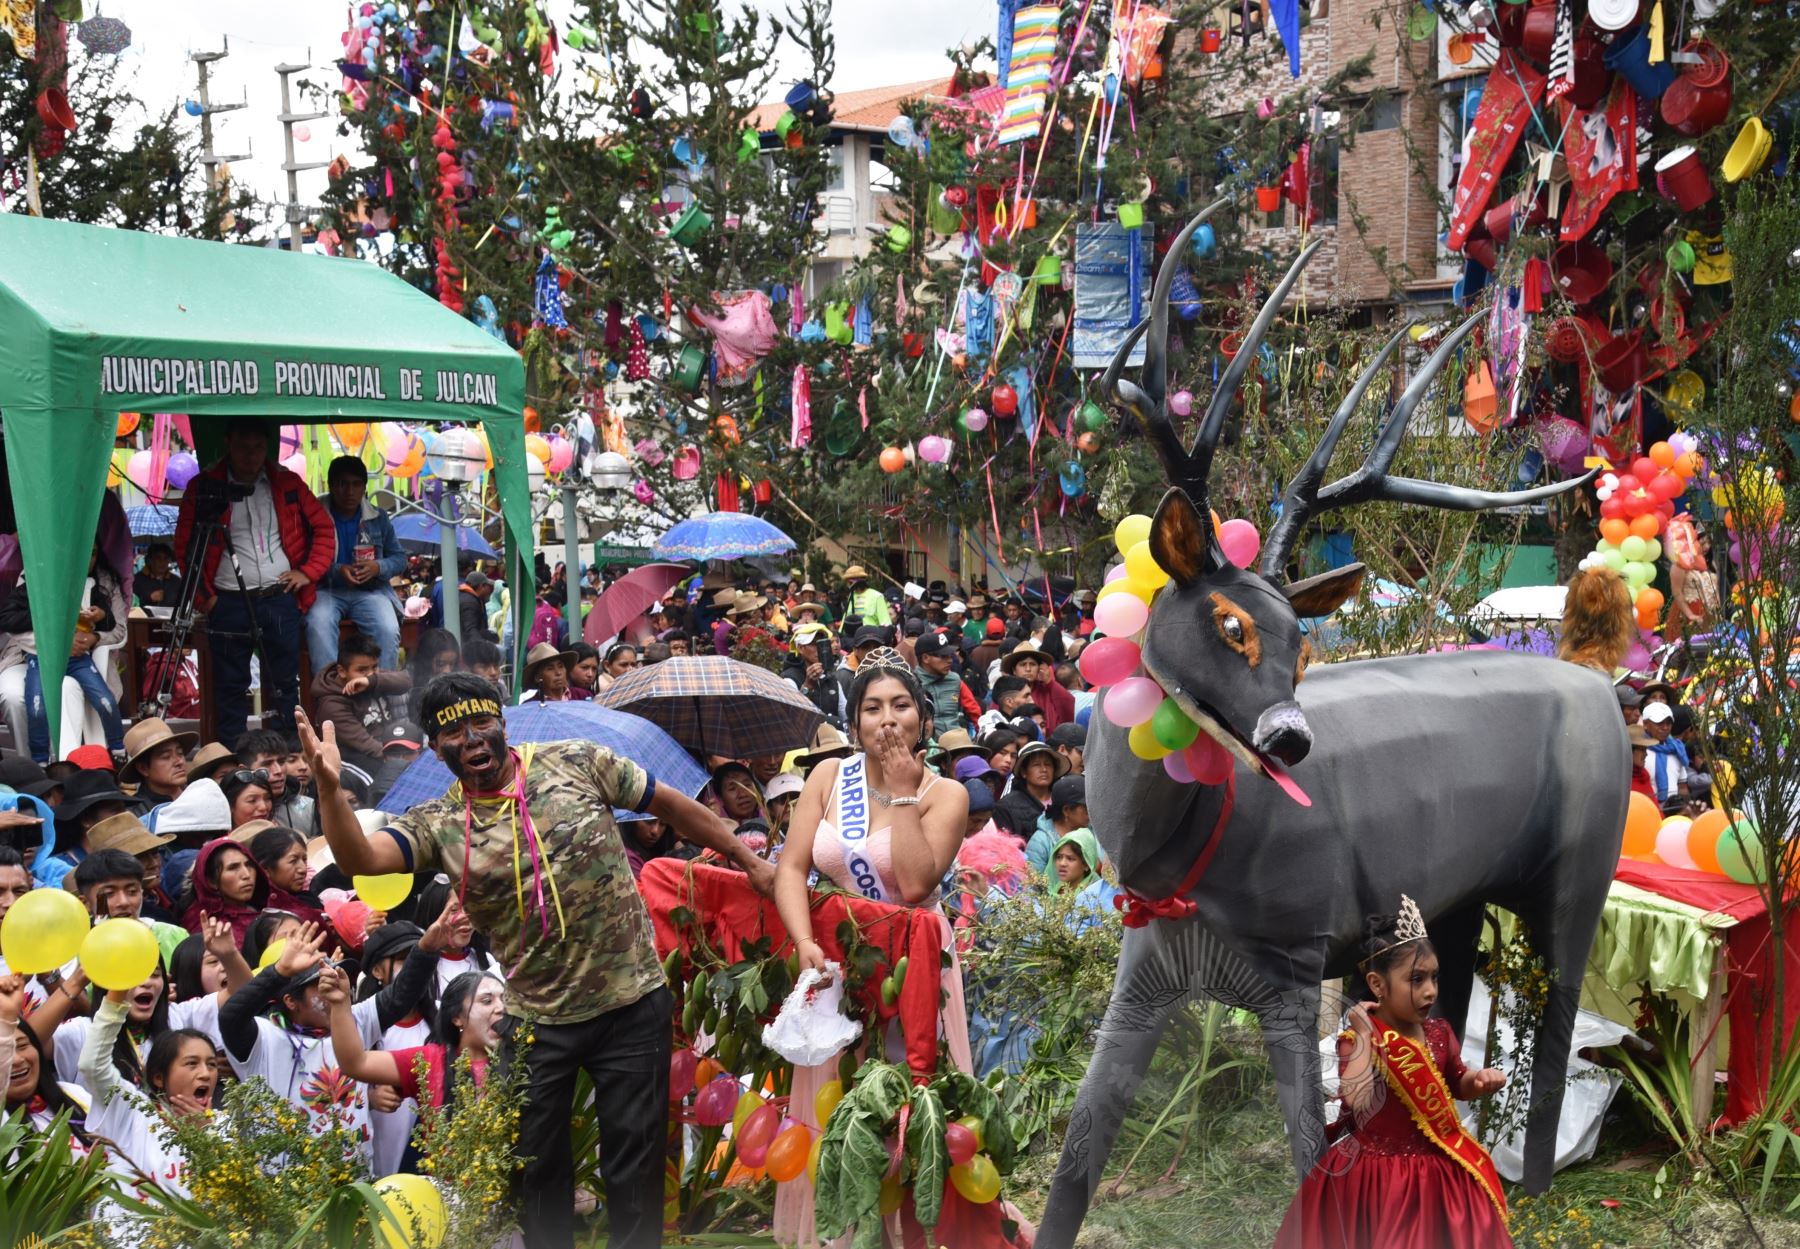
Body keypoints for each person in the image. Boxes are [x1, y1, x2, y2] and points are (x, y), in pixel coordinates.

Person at [300, 673, 776, 1249]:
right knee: (534, 1169)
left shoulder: (574, 761)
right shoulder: (438, 823)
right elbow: (364, 859)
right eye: (454, 732)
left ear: (502, 724)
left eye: (482, 723)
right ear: (435, 747)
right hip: (536, 1021)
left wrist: (743, 859)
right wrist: (328, 789)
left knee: (633, 1170)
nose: (473, 739)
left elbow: (668, 803)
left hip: (629, 1003)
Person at [771, 648, 978, 1245]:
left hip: (914, 970)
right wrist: (805, 942)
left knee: (909, 1108)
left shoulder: (947, 795)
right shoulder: (829, 778)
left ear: (923, 719)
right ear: (854, 721)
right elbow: (791, 869)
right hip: (839, 966)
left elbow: (915, 885)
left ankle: (911, 1229)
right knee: (845, 1110)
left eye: (901, 706)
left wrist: (905, 792)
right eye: (872, 708)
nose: (887, 720)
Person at [1275, 900, 1510, 1249]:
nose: (1430, 990)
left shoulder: (1439, 1032)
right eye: (1416, 979)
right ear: (1377, 984)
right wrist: (1366, 1035)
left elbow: (1456, 1080)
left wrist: (1476, 1082)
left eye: (1434, 977)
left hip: (1438, 1172)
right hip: (1375, 1178)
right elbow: (1357, 1100)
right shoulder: (1357, 1041)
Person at [216, 917, 443, 1160]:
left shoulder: (353, 1019)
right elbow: (231, 1017)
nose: (332, 985)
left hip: (355, 1185)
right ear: (291, 1001)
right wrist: (279, 972)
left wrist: (426, 949)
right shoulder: (264, 1037)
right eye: (319, 985)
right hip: (287, 1190)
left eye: (334, 975)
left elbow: (402, 995)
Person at [173, 416, 335, 746]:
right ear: (228, 444)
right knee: (230, 685)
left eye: (258, 447)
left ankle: (289, 753)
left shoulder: (287, 483)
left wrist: (307, 573)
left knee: (285, 684)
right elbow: (186, 547)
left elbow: (323, 528)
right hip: (228, 599)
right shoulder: (204, 487)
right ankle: (234, 760)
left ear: (267, 448)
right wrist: (207, 599)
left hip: (279, 596)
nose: (251, 455)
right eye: (244, 447)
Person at [80, 981, 219, 1197]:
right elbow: (92, 1065)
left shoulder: (225, 1126)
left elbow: (242, 1192)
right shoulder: (134, 1111)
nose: (205, 1074)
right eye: (191, 1063)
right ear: (159, 1078)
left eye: (212, 1065)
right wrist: (117, 992)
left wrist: (206, 1134)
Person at [0, 543, 129, 764]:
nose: (87, 559)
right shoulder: (35, 574)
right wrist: (52, 632)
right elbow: (11, 621)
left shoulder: (100, 582)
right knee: (16, 697)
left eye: (93, 554)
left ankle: (80, 762)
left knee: (80, 692)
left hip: (81, 657)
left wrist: (95, 635)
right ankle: (33, 765)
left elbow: (117, 629)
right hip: (31, 655)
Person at [307, 455, 407, 672]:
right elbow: (302, 559)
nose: (349, 491)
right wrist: (337, 571)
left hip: (370, 592)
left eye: (356, 484)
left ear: (364, 487)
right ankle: (330, 697)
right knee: (318, 624)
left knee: (388, 628)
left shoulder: (377, 517)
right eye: (342, 484)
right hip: (326, 590)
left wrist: (377, 567)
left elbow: (399, 558)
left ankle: (381, 695)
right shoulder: (313, 514)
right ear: (331, 485)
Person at [312, 631, 416, 774]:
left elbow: (406, 681)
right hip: (357, 761)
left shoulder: (371, 678)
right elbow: (366, 744)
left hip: (389, 745)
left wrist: (371, 681)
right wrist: (399, 758)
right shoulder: (331, 705)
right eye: (362, 670)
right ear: (341, 671)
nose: (370, 673)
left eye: (374, 667)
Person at [236, 730, 316, 833]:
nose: (278, 771)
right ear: (244, 769)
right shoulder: (231, 808)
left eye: (282, 762)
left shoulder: (308, 807)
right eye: (267, 764)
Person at [913, 629, 978, 735]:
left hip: (957, 742)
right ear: (925, 658)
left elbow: (973, 709)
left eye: (950, 655)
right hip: (928, 747)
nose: (950, 660)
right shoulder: (911, 683)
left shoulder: (955, 679)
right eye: (943, 656)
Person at [1000, 642, 1074, 732]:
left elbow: (1068, 706)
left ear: (1039, 668)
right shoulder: (1006, 692)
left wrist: (1050, 682)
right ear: (1014, 670)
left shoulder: (1048, 689)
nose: (1028, 669)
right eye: (1023, 664)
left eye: (1032, 664)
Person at [999, 741, 1066, 839]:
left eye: (1048, 764)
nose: (1043, 769)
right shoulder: (1006, 806)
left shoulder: (1063, 801)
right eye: (1036, 764)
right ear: (1023, 772)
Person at [781, 622, 844, 725]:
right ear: (800, 648)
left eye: (822, 643)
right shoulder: (789, 679)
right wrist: (807, 686)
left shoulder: (831, 677)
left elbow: (845, 714)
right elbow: (791, 714)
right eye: (814, 644)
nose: (820, 649)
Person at [1026, 775, 1090, 874]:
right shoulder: (1040, 843)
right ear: (1066, 810)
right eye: (1085, 806)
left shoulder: (1094, 832)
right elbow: (1033, 885)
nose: (1090, 811)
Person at [1642, 702, 1690, 805]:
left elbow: (1682, 787)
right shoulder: (1639, 752)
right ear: (1645, 724)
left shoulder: (1677, 750)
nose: (1665, 727)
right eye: (1659, 723)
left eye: (1668, 723)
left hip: (1673, 815)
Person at [134, 543, 182, 609]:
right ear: (150, 560)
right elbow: (132, 603)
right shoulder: (137, 580)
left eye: (165, 558)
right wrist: (149, 597)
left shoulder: (177, 581)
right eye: (158, 558)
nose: (162, 562)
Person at [1629, 724, 1658, 802]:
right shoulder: (1622, 780)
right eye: (1642, 750)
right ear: (1630, 751)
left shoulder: (1644, 774)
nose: (1646, 754)